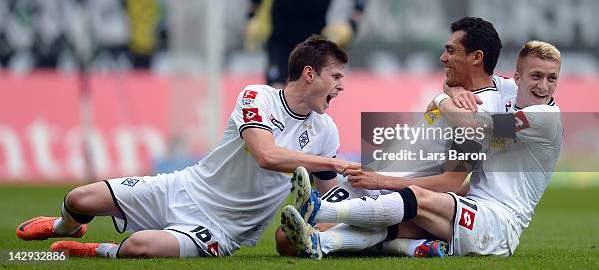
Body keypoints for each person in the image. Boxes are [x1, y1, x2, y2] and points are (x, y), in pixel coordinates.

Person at [16, 35, 359, 259]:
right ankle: (66, 227)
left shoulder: (325, 131)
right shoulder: (257, 97)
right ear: (310, 74)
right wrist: (327, 162)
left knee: (139, 247)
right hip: (183, 186)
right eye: (337, 76)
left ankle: (94, 250)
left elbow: (329, 195)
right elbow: (266, 155)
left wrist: (336, 223)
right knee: (78, 199)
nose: (341, 86)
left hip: (220, 229)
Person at [282, 40, 562, 259]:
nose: (544, 86)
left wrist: (441, 99)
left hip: (498, 223)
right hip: (467, 206)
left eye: (552, 78)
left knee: (414, 198)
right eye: (536, 76)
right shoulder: (503, 93)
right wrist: (452, 91)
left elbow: (475, 124)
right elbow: (464, 81)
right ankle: (321, 244)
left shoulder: (544, 118)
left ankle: (320, 210)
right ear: (517, 77)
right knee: (389, 226)